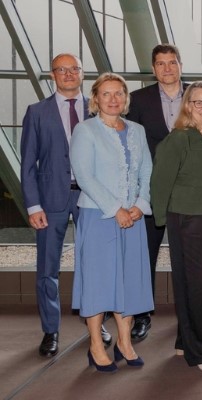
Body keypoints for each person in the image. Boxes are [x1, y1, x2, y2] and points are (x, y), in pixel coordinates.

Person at [20, 53, 111, 357]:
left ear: (82, 74)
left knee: (95, 264)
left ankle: (97, 324)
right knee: (48, 269)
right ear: (52, 75)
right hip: (50, 200)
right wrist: (33, 206)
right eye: (62, 69)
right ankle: (51, 330)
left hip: (92, 199)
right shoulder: (36, 112)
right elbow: (28, 164)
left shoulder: (98, 109)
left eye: (74, 69)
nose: (69, 74)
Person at [70, 73, 153, 372]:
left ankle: (124, 342)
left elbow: (147, 171)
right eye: (106, 94)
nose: (114, 99)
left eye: (119, 93)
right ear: (96, 99)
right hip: (98, 216)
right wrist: (115, 208)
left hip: (132, 218)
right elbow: (84, 176)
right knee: (98, 282)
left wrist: (140, 206)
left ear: (126, 98)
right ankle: (95, 344)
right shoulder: (85, 130)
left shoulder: (138, 131)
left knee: (129, 281)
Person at [151, 81, 202, 373]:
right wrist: (163, 221)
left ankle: (186, 339)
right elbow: (159, 184)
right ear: (188, 106)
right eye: (199, 102)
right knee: (198, 285)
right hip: (189, 217)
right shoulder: (179, 139)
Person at [127, 44, 189, 341]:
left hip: (189, 192)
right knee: (145, 256)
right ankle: (142, 316)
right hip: (150, 192)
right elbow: (131, 149)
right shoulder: (137, 100)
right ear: (153, 69)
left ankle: (189, 318)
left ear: (180, 65)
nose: (167, 68)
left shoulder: (198, 96)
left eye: (172, 62)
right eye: (161, 64)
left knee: (188, 258)